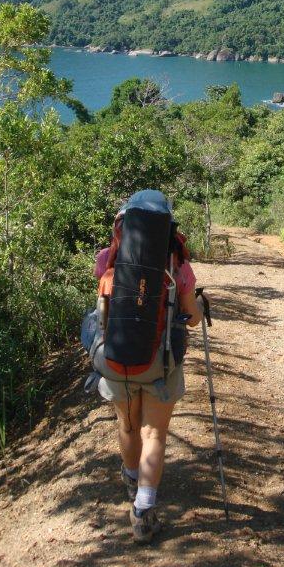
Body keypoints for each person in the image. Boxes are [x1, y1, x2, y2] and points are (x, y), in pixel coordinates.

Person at [95, 200, 204, 544]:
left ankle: (131, 478)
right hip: (161, 361)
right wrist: (199, 305)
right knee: (154, 434)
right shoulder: (178, 265)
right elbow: (193, 316)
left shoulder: (105, 259)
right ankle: (143, 512)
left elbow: (105, 303)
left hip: (118, 359)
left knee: (127, 424)